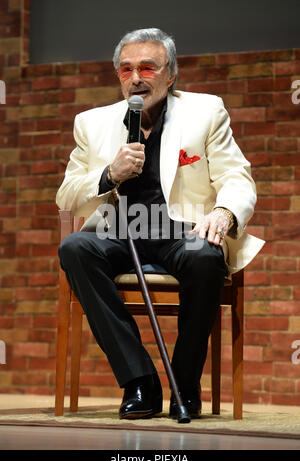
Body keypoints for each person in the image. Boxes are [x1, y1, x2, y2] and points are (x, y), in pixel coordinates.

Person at [56, 28, 264, 420]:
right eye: (126, 69)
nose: (136, 78)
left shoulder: (205, 112)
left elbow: (237, 177)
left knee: (206, 257)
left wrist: (224, 213)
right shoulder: (91, 122)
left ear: (171, 75)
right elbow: (66, 194)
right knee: (75, 249)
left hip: (182, 232)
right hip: (119, 232)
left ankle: (184, 382)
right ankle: (139, 380)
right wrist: (109, 175)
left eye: (148, 67)